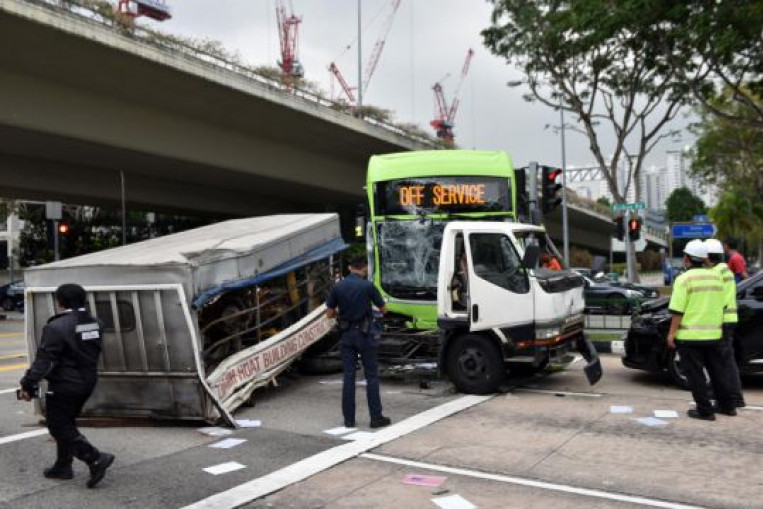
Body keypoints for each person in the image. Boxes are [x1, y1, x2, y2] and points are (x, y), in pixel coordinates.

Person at [19, 284, 115, 488]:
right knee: (66, 423)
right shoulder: (95, 323)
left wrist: (28, 382)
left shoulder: (56, 327)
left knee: (58, 426)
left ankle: (95, 458)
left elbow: (45, 361)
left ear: (60, 302)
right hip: (87, 381)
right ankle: (63, 467)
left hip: (65, 384)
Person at [667, 240, 736, 420]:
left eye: (684, 256)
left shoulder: (684, 279)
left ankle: (705, 410)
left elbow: (677, 310)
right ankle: (728, 406)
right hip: (714, 335)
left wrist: (671, 333)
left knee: (695, 374)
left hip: (690, 336)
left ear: (688, 259)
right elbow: (723, 305)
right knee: (717, 371)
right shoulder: (716, 277)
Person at [326, 256, 391, 429]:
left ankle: (349, 420)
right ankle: (376, 417)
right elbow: (384, 310)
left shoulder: (338, 286)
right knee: (371, 376)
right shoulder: (368, 286)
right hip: (365, 335)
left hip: (346, 335)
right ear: (364, 268)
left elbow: (329, 314)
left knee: (348, 376)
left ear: (349, 267)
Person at [705, 239, 746, 408]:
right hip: (729, 320)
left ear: (707, 257)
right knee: (728, 361)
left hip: (720, 321)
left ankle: (725, 399)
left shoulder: (715, 274)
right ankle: (735, 397)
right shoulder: (726, 271)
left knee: (720, 363)